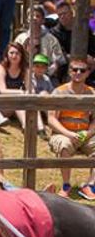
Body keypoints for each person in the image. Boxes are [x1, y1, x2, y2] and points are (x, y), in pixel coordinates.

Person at [47, 57, 95, 199]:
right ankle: (66, 185)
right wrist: (68, 134)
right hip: (62, 133)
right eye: (75, 69)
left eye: (82, 70)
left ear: (88, 73)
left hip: (85, 134)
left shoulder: (92, 93)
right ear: (69, 72)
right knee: (64, 145)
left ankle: (90, 185)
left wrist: (89, 132)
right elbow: (51, 119)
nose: (78, 72)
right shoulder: (59, 92)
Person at [14, 6, 65, 85]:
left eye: (37, 16)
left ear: (43, 20)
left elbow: (58, 60)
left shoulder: (51, 39)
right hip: (24, 75)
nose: (34, 18)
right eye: (31, 16)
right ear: (27, 19)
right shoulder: (20, 38)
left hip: (47, 76)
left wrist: (50, 71)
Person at [0, 41, 32, 131]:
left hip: (15, 102)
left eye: (17, 53)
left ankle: (38, 129)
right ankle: (26, 126)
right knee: (17, 104)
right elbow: (2, 90)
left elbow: (29, 88)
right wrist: (21, 92)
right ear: (7, 54)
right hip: (1, 104)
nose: (14, 56)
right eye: (11, 53)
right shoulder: (1, 68)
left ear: (22, 55)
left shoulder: (25, 70)